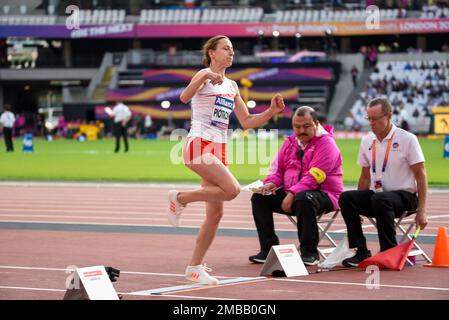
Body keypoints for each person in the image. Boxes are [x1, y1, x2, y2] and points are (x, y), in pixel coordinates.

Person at [168, 35, 285, 285]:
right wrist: (204, 76)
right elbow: (184, 97)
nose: (232, 53)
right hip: (198, 144)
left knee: (216, 213)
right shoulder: (202, 76)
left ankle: (194, 268)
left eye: (233, 50)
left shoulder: (231, 86)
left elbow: (247, 122)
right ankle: (179, 198)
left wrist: (271, 112)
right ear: (212, 52)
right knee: (231, 190)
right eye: (226, 49)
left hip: (219, 148)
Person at [338, 97, 428, 267]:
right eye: (368, 118)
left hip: (405, 197)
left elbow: (421, 176)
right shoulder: (366, 141)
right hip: (377, 197)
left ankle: (388, 252)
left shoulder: (407, 139)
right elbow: (365, 177)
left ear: (389, 116)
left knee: (380, 199)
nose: (371, 123)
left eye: (375, 119)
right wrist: (357, 206)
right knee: (346, 198)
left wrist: (422, 210)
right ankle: (361, 251)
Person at [249, 106, 343, 265]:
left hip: (325, 194)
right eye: (297, 127)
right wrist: (270, 184)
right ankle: (268, 249)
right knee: (259, 197)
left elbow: (314, 177)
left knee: (303, 198)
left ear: (316, 123)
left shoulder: (327, 144)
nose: (301, 131)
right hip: (294, 194)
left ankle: (309, 253)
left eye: (306, 126)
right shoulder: (290, 142)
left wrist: (291, 194)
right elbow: (277, 170)